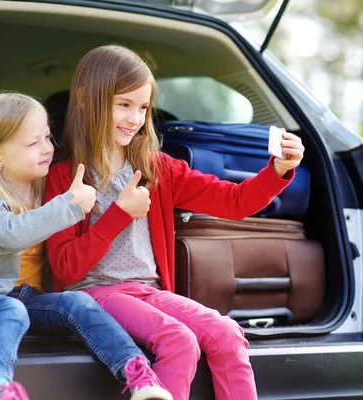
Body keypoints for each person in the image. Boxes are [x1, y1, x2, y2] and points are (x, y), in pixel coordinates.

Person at [44, 45, 305, 400]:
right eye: (123, 104)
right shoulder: (63, 177)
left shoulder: (158, 169)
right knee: (178, 339)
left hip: (150, 292)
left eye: (143, 107)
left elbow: (234, 201)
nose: (134, 118)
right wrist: (120, 213)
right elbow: (65, 268)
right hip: (93, 295)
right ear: (87, 100)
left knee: (227, 333)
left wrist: (278, 171)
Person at [0, 92, 173, 400]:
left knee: (79, 302)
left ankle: (139, 376)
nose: (47, 148)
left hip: (27, 298)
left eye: (47, 137)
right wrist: (71, 206)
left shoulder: (42, 189)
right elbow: (13, 234)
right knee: (10, 310)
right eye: (33, 143)